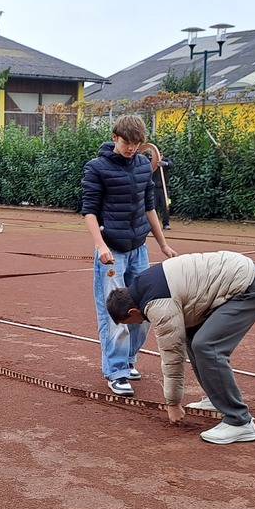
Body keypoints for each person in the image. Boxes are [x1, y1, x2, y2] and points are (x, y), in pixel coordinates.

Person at [106, 250, 255, 444]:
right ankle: (218, 398)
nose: (137, 324)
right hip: (238, 279)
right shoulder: (142, 285)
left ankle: (239, 422)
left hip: (250, 287)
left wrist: (173, 403)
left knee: (207, 346)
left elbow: (172, 356)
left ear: (133, 310)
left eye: (133, 321)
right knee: (192, 337)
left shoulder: (158, 304)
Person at [81, 115, 178, 397]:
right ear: (115, 137)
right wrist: (101, 246)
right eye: (126, 143)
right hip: (111, 251)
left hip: (139, 249)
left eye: (136, 144)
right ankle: (116, 371)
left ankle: (129, 359)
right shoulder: (96, 168)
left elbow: (150, 208)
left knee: (146, 310)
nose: (131, 148)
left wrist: (163, 244)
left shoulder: (141, 166)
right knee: (115, 312)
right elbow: (89, 211)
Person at [152, 158, 173, 230]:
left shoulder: (166, 160)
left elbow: (171, 165)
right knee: (153, 206)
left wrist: (165, 164)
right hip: (154, 188)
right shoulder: (151, 161)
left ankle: (166, 224)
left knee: (166, 205)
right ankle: (154, 225)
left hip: (164, 188)